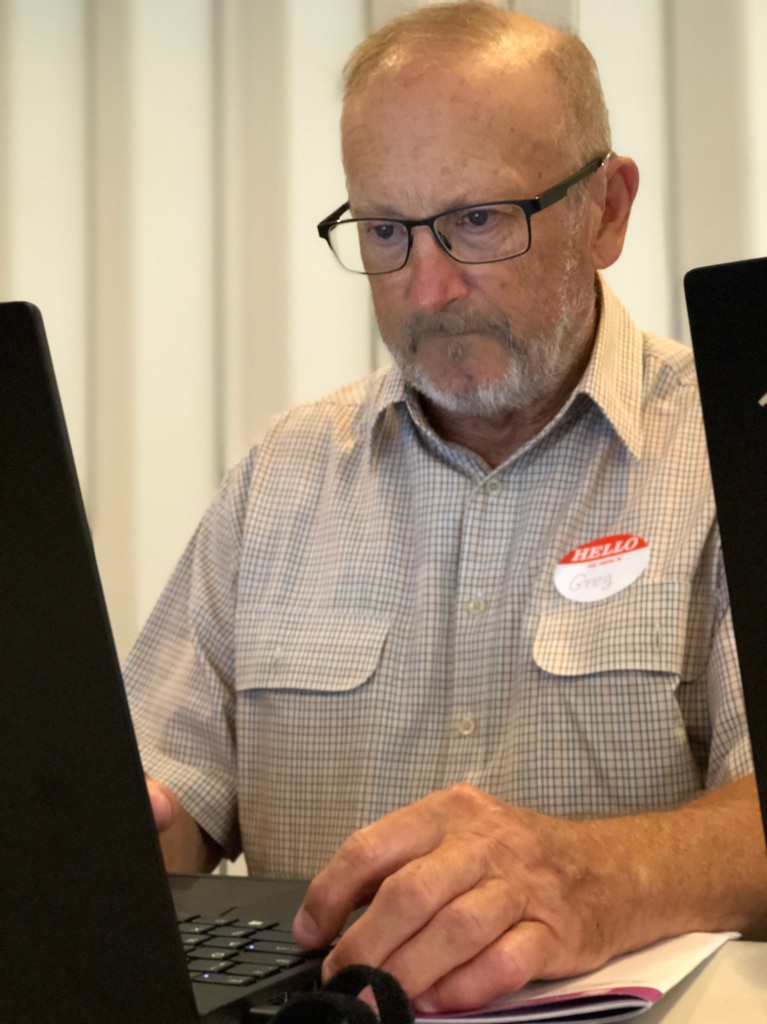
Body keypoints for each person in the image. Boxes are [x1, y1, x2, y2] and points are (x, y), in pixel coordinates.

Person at [126, 0, 767, 1015]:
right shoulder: (281, 474)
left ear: (604, 211)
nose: (425, 289)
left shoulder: (727, 449)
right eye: (385, 231)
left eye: (476, 220)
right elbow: (167, 808)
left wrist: (598, 876)